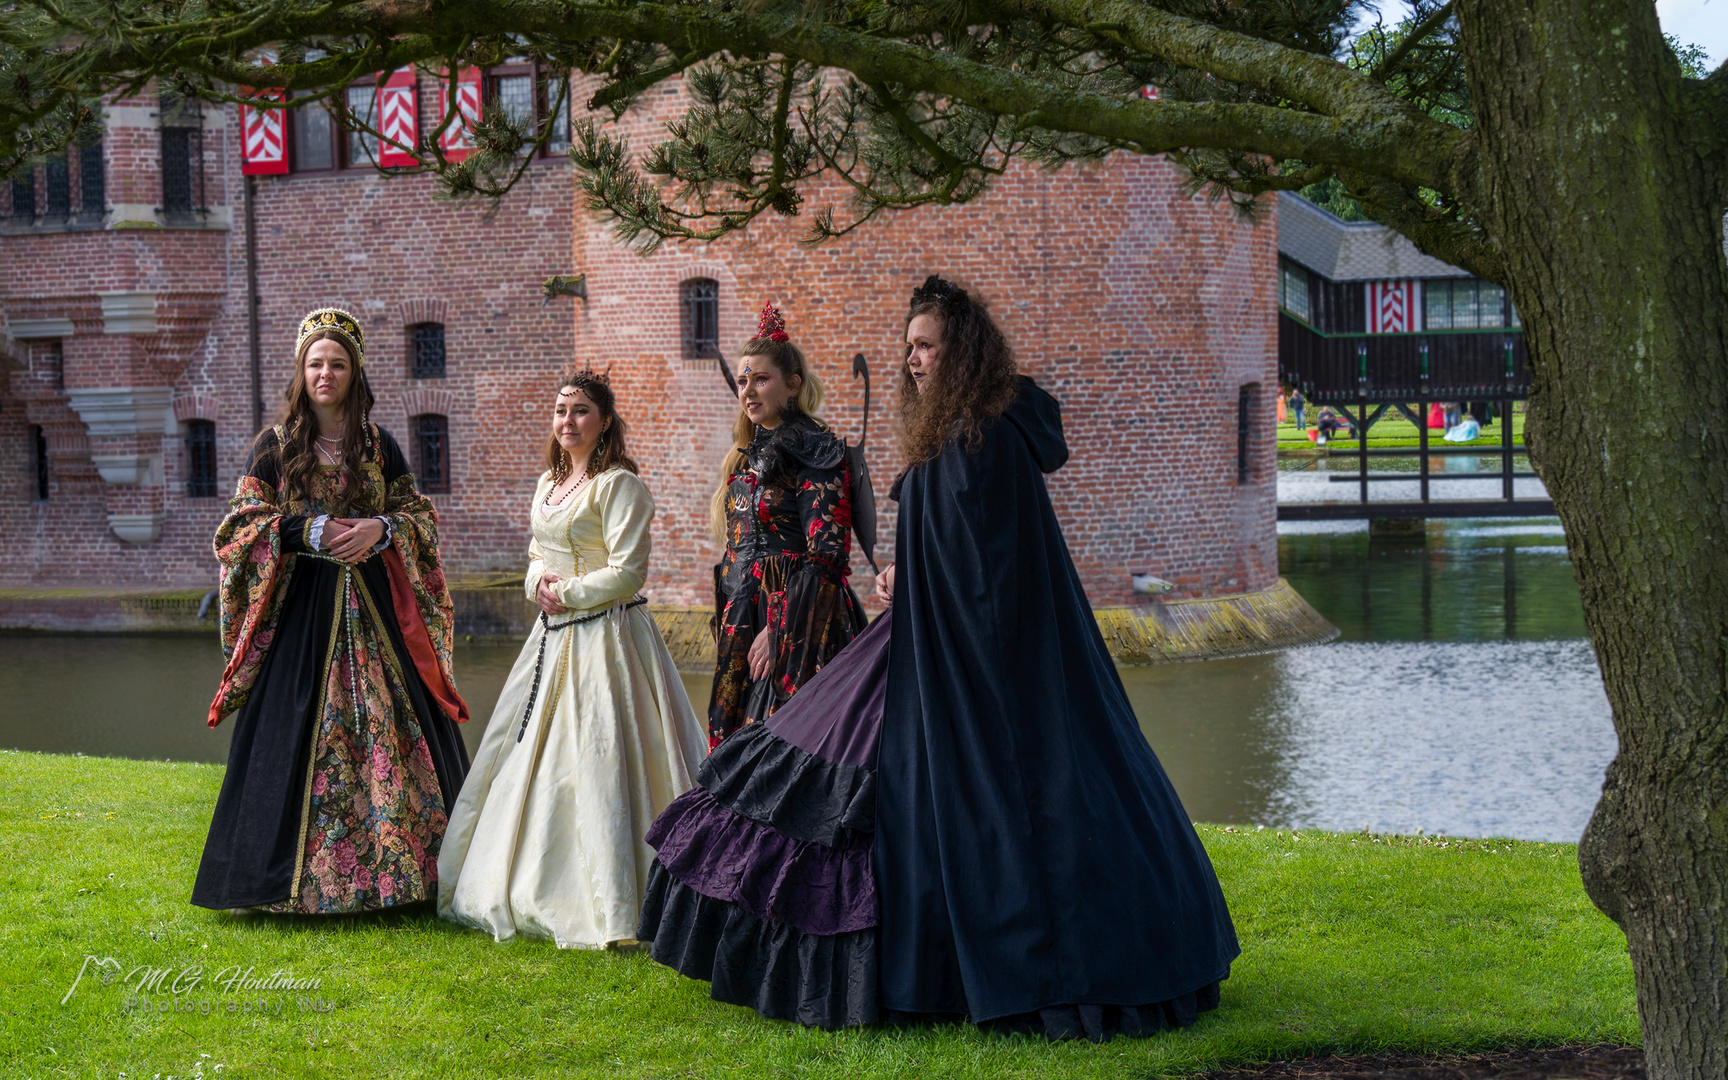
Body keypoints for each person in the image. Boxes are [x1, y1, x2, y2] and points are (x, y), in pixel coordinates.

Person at [637, 276, 1239, 1041]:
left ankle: (993, 969)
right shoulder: (970, 433)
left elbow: (984, 576)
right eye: (909, 349)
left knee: (967, 798)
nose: (914, 361)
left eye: (927, 346)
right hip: (935, 635)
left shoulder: (976, 441)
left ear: (963, 351)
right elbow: (963, 556)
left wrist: (909, 582)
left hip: (962, 656)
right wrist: (903, 574)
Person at [193, 307, 471, 915]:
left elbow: (419, 517)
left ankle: (408, 878)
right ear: (302, 370)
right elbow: (239, 527)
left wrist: (383, 526)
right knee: (290, 737)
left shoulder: (379, 443)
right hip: (303, 616)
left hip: (378, 614)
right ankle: (284, 885)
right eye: (316, 363)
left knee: (396, 732)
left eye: (338, 363)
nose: (326, 374)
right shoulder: (274, 446)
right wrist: (306, 530)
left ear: (355, 371)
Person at [438, 371, 705, 949]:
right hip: (552, 639)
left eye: (581, 411)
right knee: (534, 754)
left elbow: (629, 571)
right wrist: (537, 583)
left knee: (604, 753)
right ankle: (524, 876)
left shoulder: (619, 487)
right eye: (561, 411)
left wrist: (569, 593)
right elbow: (537, 551)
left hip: (609, 639)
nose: (567, 421)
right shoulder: (548, 484)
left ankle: (618, 895)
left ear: (604, 421)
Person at [705, 303, 866, 748]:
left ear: (792, 385)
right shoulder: (742, 456)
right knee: (732, 746)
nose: (749, 390)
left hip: (800, 622)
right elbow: (738, 552)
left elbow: (827, 556)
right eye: (742, 381)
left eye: (761, 379)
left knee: (781, 744)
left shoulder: (817, 451)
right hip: (742, 616)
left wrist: (779, 628)